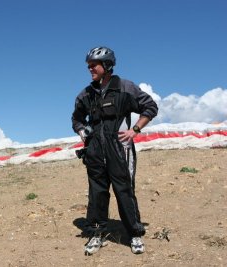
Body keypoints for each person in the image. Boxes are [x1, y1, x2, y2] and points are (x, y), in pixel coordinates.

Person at [71, 46, 158, 255]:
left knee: (124, 190)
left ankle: (134, 233)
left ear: (107, 65)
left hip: (119, 148)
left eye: (94, 65)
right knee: (97, 193)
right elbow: (76, 118)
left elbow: (150, 107)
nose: (90, 69)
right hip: (94, 150)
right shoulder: (86, 94)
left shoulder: (125, 88)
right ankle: (97, 234)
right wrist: (82, 131)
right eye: (88, 66)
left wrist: (135, 130)